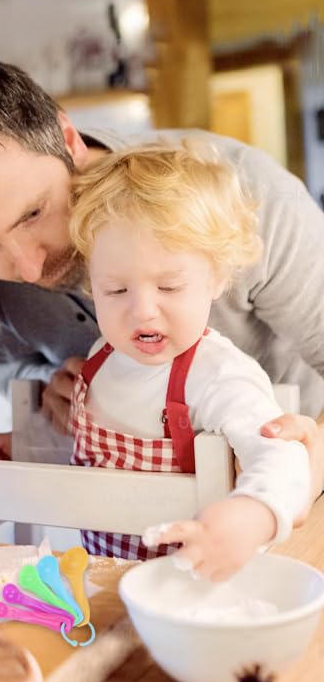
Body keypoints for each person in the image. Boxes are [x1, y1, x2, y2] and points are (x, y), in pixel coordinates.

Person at [0, 53, 324, 504]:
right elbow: (2, 364)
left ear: (68, 138)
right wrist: (46, 384)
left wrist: (284, 488)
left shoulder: (245, 196)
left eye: (32, 213)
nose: (28, 269)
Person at [66, 142, 307, 578]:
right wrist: (28, 442)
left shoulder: (216, 375)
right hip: (101, 581)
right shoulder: (101, 354)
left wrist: (253, 514)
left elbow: (282, 457)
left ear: (216, 278)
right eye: (115, 290)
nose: (141, 310)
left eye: (170, 287)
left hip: (190, 586)